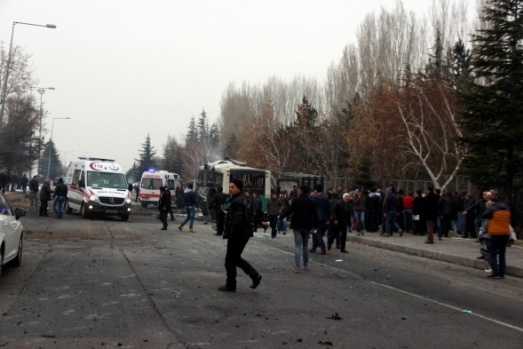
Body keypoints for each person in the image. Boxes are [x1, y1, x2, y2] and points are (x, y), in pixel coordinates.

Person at [218, 179, 262, 292]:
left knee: (229, 260)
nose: (230, 189)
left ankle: (231, 285)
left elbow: (237, 220)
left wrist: (231, 233)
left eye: (232, 187)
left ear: (238, 188)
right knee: (235, 258)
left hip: (238, 234)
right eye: (230, 187)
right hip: (243, 233)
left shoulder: (238, 201)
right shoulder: (242, 199)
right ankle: (254, 275)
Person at [279, 185, 317, 272]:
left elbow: (289, 211)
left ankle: (297, 266)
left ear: (302, 191)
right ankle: (306, 264)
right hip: (307, 226)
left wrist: (281, 216)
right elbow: (315, 215)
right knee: (305, 246)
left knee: (297, 246)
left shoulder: (296, 200)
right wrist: (315, 226)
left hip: (297, 225)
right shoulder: (311, 202)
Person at [482, 190, 510, 279]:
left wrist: (489, 207)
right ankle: (502, 273)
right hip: (505, 232)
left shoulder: (493, 208)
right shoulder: (507, 208)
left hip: (495, 232)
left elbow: (484, 215)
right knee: (502, 253)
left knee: (493, 252)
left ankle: (495, 272)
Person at [311, 184, 329, 255]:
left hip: (317, 217)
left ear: (316, 190)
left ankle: (323, 248)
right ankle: (314, 248)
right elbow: (328, 208)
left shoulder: (315, 198)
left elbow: (311, 205)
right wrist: (328, 218)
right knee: (319, 232)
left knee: (318, 233)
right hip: (324, 217)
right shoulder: (325, 197)